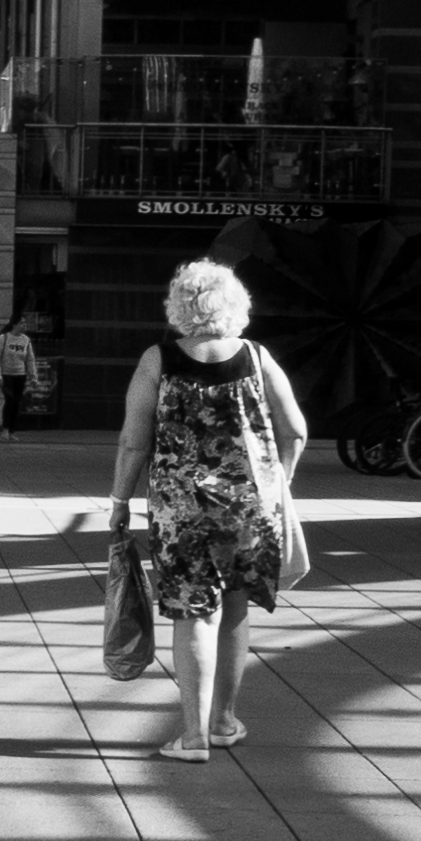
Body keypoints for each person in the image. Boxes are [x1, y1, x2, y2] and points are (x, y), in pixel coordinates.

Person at [109, 256, 309, 758]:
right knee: (236, 608)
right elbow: (297, 430)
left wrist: (118, 501)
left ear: (178, 307)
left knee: (192, 615)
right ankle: (223, 722)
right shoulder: (258, 358)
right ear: (236, 305)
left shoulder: (158, 360)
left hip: (183, 514)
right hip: (249, 510)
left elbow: (135, 442)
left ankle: (193, 736)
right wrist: (278, 481)